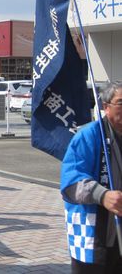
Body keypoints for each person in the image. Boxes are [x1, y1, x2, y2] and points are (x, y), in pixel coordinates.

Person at [61, 81, 122, 273]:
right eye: (121, 103)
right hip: (94, 234)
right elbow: (71, 182)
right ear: (106, 107)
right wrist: (102, 195)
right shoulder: (89, 135)